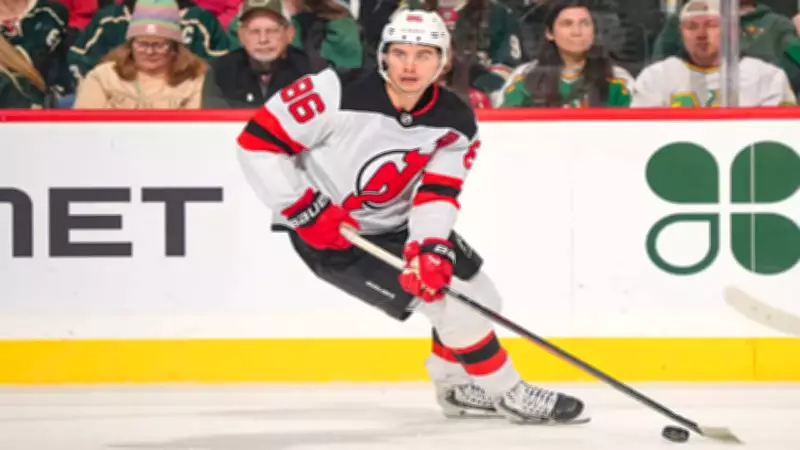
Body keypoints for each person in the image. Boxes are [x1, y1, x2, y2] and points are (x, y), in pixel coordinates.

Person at [237, 9, 587, 424]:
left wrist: (429, 246)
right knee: (452, 308)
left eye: (424, 55)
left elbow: (437, 193)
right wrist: (302, 207)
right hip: (337, 237)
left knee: (482, 297)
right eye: (400, 53)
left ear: (443, 60)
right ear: (383, 54)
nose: (409, 65)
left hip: (399, 226)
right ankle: (509, 393)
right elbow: (257, 144)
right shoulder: (332, 91)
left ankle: (455, 388)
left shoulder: (455, 120)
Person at [632, 0, 796, 107]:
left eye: (711, 25)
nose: (701, 34)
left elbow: (781, 135)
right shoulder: (655, 78)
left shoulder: (767, 77)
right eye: (691, 27)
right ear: (681, 32)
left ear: (731, 30)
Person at [496, 0, 632, 108]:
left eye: (585, 24)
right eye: (567, 24)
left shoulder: (618, 79)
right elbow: (503, 126)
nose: (577, 32)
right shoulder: (525, 77)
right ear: (549, 33)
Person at [74, 0, 206, 108]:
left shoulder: (194, 81)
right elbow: (85, 126)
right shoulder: (103, 77)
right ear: (130, 44)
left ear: (174, 46)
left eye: (159, 45)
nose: (149, 52)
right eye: (142, 44)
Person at [202, 0, 315, 108]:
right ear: (241, 36)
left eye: (272, 31)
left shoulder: (311, 71)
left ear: (290, 33)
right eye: (254, 32)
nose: (263, 39)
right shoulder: (220, 72)